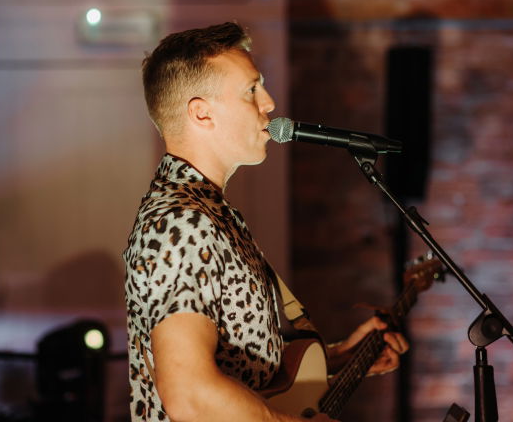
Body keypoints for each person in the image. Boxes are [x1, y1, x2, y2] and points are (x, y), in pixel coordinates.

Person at [123, 22, 409, 422]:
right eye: (251, 90)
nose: (270, 103)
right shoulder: (180, 223)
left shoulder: (207, 214)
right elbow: (190, 396)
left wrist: (340, 357)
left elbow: (247, 372)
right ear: (202, 113)